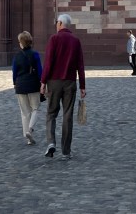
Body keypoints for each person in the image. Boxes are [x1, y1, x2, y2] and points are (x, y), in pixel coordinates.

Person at [40, 14, 86, 160]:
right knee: (67, 115)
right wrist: (82, 86)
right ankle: (66, 151)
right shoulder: (76, 41)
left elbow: (48, 62)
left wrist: (43, 82)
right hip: (70, 83)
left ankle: (51, 142)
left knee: (51, 114)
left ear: (60, 23)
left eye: (57, 22)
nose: (56, 25)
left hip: (54, 82)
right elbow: (80, 65)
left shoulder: (54, 39)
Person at [11, 31, 43, 145]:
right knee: (35, 108)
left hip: (20, 85)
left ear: (21, 43)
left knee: (24, 112)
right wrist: (42, 83)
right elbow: (40, 71)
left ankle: (28, 138)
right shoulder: (35, 54)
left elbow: (14, 72)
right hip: (33, 85)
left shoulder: (17, 56)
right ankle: (30, 129)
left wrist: (15, 83)